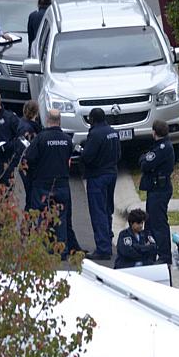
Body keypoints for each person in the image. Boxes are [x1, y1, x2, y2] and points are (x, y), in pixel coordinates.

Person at [21, 107, 76, 257]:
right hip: (62, 184)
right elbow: (70, 158)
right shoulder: (67, 139)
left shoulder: (40, 138)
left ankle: (44, 250)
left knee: (41, 216)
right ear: (59, 121)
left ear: (47, 121)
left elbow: (29, 159)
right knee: (62, 218)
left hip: (42, 184)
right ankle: (62, 251)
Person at [80, 107, 120, 260]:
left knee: (98, 212)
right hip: (112, 173)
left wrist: (82, 152)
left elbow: (87, 156)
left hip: (98, 176)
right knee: (107, 208)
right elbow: (119, 154)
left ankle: (103, 248)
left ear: (92, 119)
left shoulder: (95, 134)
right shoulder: (113, 132)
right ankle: (107, 239)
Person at [139, 120, 176, 264]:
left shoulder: (162, 147)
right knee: (151, 222)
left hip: (160, 190)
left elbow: (145, 163)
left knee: (159, 223)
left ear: (154, 132)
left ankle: (165, 255)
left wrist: (144, 159)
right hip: (156, 189)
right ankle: (152, 251)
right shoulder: (159, 146)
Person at [17, 99, 41, 209]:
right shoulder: (31, 128)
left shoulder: (21, 124)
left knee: (30, 193)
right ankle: (28, 220)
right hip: (29, 166)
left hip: (22, 164)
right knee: (32, 194)